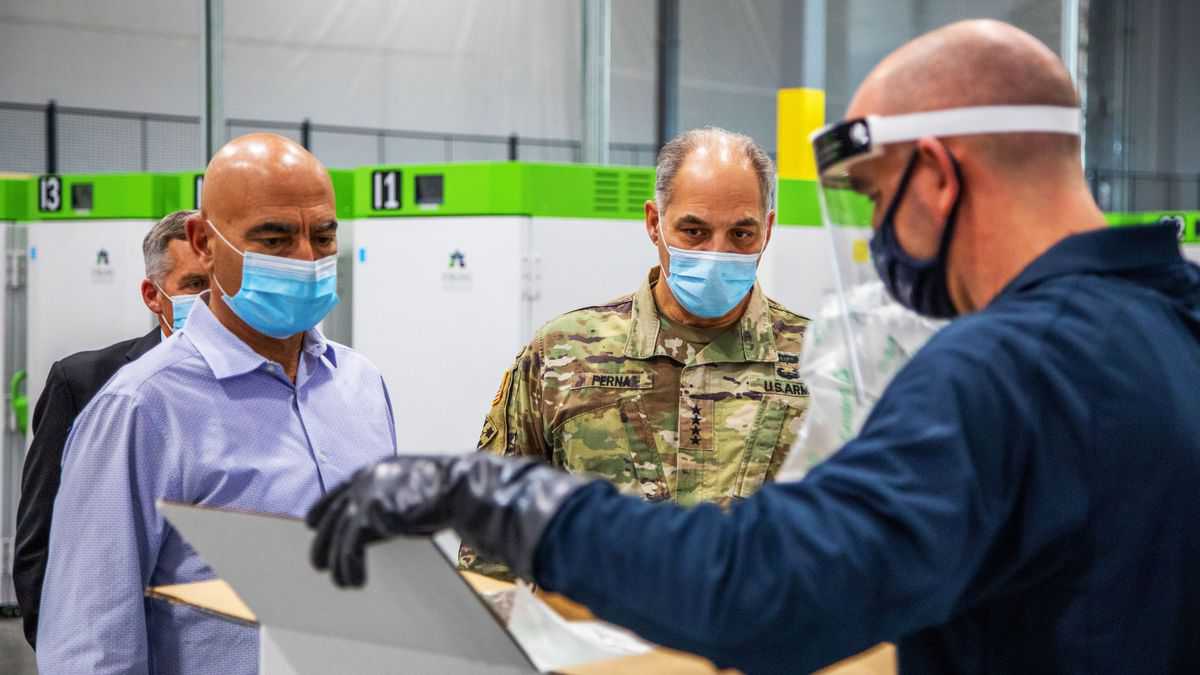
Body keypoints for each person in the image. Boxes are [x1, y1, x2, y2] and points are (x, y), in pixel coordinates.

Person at [307, 20, 1200, 674]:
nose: (881, 232)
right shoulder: (1172, 324)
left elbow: (766, 585)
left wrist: (499, 495)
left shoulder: (1002, 368)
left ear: (937, 173)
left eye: (877, 194)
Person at [36, 133, 398, 675]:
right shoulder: (141, 408)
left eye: (323, 237)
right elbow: (91, 644)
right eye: (274, 240)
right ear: (204, 242)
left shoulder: (359, 385)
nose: (306, 259)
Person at [462, 127, 811, 578]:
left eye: (741, 234)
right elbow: (494, 535)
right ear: (653, 223)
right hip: (598, 642)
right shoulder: (564, 355)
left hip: (761, 643)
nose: (716, 253)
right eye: (693, 231)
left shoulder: (819, 365)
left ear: (768, 228)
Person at [13, 208, 208, 648]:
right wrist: (61, 648)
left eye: (222, 285)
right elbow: (39, 541)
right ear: (153, 295)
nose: (213, 301)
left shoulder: (256, 386)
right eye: (195, 286)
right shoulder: (86, 383)